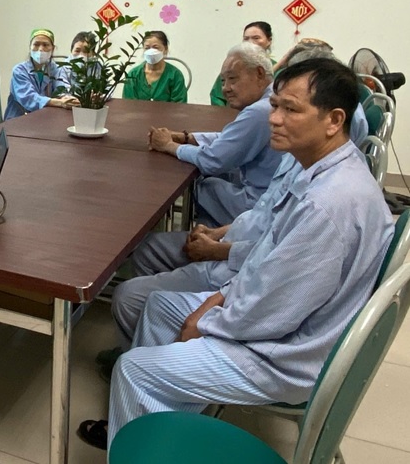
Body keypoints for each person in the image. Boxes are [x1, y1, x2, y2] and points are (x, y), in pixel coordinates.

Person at [78, 58, 394, 452]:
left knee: (134, 369)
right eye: (274, 105)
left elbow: (273, 309)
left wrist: (207, 322)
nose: (274, 118)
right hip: (274, 317)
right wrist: (217, 298)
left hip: (283, 354)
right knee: (159, 307)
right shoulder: (320, 168)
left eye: (291, 109)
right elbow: (268, 261)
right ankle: (164, 431)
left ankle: (147, 432)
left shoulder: (329, 204)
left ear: (334, 120)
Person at [149, 42, 281, 227]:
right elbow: (230, 139)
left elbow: (212, 161)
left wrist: (169, 146)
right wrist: (187, 138)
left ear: (259, 73)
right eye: (223, 81)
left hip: (259, 207)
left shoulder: (259, 111)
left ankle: (202, 236)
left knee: (204, 184)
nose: (226, 88)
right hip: (271, 195)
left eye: (232, 79)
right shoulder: (272, 99)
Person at [4, 29, 78, 119]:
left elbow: (61, 88)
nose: (40, 49)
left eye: (45, 45)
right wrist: (59, 103)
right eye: (36, 44)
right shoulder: (19, 71)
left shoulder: (54, 68)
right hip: (18, 120)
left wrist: (68, 99)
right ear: (30, 47)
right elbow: (29, 98)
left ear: (53, 49)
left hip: (45, 118)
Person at [210, 21, 274, 106]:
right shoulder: (232, 66)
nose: (250, 42)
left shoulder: (279, 70)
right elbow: (217, 97)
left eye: (256, 38)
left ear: (269, 41)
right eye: (246, 39)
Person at [121, 31, 187, 103]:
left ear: (165, 49)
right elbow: (128, 104)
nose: (151, 51)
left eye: (155, 47)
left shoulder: (175, 75)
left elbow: (179, 105)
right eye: (147, 48)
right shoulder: (133, 75)